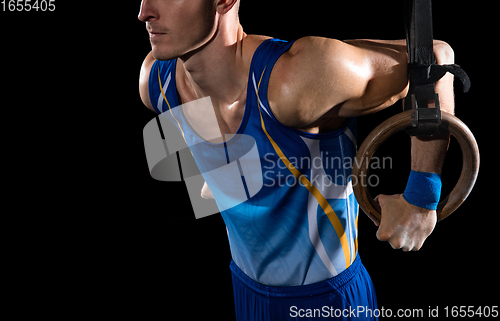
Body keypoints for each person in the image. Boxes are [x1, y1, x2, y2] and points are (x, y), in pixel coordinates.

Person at [138, 1, 456, 320]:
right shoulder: (157, 83)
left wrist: (421, 197)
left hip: (328, 304)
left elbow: (433, 57)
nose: (144, 12)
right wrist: (229, 173)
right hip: (247, 295)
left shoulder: (297, 80)